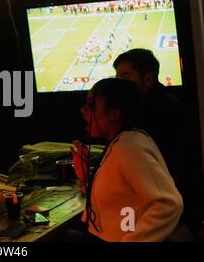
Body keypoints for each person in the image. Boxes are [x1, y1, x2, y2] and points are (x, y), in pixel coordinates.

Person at [71, 78, 183, 241]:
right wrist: (86, 177)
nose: (83, 110)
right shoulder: (121, 142)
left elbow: (169, 204)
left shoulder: (130, 148)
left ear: (114, 114)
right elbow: (119, 197)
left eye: (91, 105)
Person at [113, 48, 200, 238]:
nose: (119, 85)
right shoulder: (143, 107)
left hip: (171, 215)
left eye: (125, 77)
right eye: (117, 77)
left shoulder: (164, 111)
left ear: (148, 78)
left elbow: (169, 171)